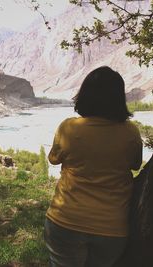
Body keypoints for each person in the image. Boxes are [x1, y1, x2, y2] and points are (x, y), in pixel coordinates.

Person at [44, 66, 143, 267]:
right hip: (111, 228)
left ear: (85, 95)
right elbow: (135, 164)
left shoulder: (69, 128)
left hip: (65, 220)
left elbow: (53, 159)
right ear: (118, 98)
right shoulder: (130, 132)